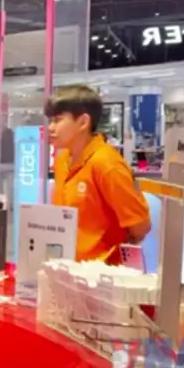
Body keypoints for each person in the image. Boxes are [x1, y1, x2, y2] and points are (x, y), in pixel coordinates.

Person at [47, 85, 151, 264]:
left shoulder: (107, 164)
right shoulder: (62, 160)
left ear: (83, 122)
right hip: (66, 266)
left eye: (58, 120)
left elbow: (140, 226)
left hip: (102, 272)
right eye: (51, 120)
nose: (50, 127)